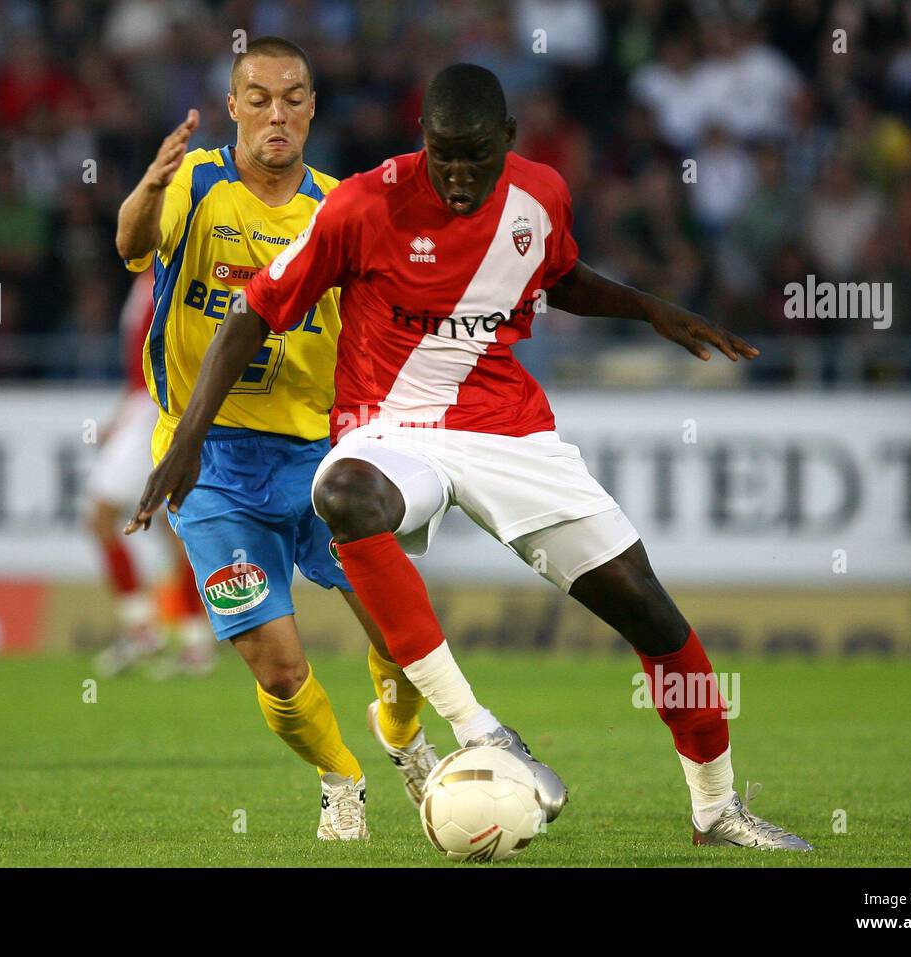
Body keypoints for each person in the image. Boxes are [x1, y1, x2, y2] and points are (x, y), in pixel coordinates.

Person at [133, 63, 812, 851]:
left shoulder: (542, 197)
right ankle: (480, 729)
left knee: (652, 612)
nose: (457, 175)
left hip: (509, 430)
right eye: (443, 154)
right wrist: (187, 437)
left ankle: (717, 810)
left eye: (475, 157)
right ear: (423, 139)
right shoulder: (364, 203)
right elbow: (251, 313)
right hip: (390, 427)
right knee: (346, 493)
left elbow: (559, 277)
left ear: (508, 142)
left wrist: (647, 308)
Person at [116, 37, 445, 840]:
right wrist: (147, 185)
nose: (276, 113)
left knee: (402, 639)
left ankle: (402, 738)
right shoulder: (194, 184)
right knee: (279, 664)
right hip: (213, 463)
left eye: (292, 97)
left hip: (323, 461)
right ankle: (341, 776)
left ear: (312, 108)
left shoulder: (343, 208)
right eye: (258, 97)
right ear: (233, 107)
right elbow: (129, 246)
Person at [88, 269, 214, 679]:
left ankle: (143, 627)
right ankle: (194, 642)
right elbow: (140, 362)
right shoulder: (147, 278)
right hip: (144, 407)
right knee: (169, 525)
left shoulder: (169, 273)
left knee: (103, 516)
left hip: (156, 409)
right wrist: (121, 412)